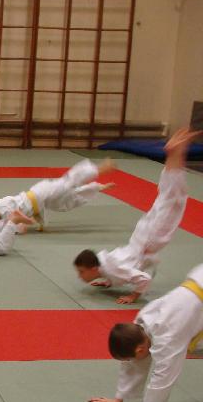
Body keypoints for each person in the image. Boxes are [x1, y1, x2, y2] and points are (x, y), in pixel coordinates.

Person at [73, 128, 200, 304]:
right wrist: (108, 281)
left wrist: (133, 296)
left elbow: (144, 278)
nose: (80, 276)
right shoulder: (103, 263)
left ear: (94, 268)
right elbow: (114, 272)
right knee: (167, 197)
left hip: (150, 239)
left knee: (172, 199)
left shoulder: (112, 270)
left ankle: (175, 152)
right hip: (143, 236)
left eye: (82, 272)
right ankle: (175, 152)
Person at [89, 263, 203, 402]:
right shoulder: (141, 322)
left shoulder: (167, 337)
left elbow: (162, 381)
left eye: (131, 357)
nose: (131, 361)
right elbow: (133, 362)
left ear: (140, 349)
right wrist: (119, 398)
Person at [0, 158, 116, 232]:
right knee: (70, 193)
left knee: (68, 183)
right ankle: (98, 181)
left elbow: (18, 223)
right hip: (42, 197)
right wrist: (38, 223)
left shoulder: (3, 208)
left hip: (39, 193)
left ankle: (100, 169)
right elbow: (32, 216)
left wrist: (24, 223)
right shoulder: (6, 214)